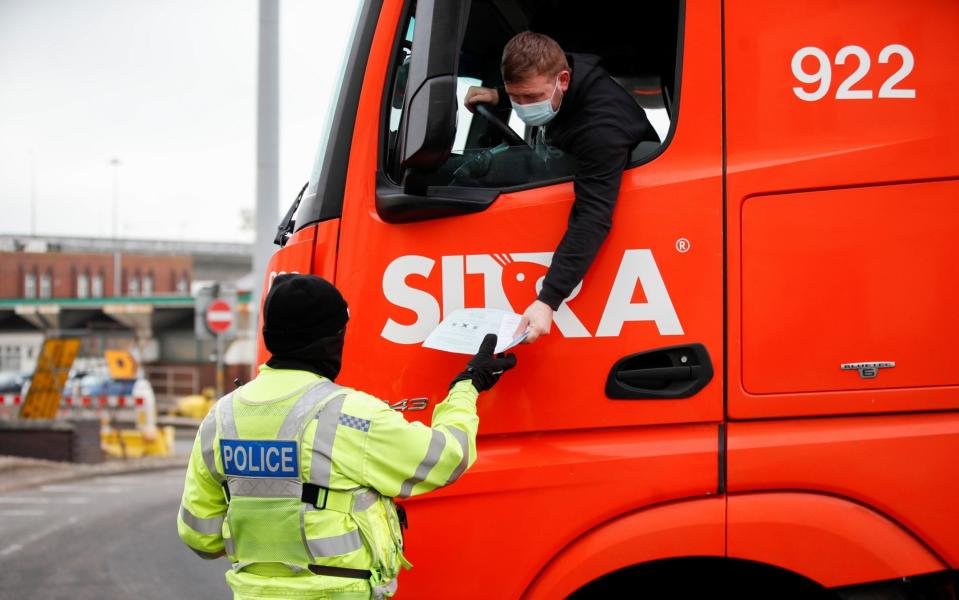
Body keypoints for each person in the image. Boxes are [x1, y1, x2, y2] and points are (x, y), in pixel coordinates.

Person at [177, 274, 516, 600]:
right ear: (331, 339)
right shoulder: (349, 413)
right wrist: (467, 385)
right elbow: (445, 457)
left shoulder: (220, 418)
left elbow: (199, 535)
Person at [465, 31, 654, 343]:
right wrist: (499, 97)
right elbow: (532, 86)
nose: (525, 107)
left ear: (563, 80)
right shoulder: (555, 77)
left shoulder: (601, 129)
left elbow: (592, 216)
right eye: (517, 98)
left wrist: (548, 300)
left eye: (532, 98)